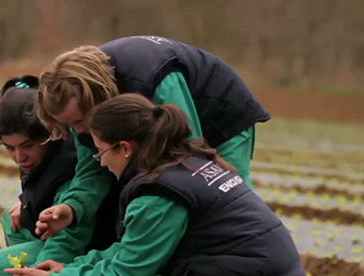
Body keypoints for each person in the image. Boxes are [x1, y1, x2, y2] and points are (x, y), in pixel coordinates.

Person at [6, 93, 314, 276]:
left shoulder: (159, 193)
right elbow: (130, 251)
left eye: (100, 151)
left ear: (125, 148)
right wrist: (69, 270)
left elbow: (127, 271)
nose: (99, 161)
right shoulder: (187, 162)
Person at [34, 35, 269, 239]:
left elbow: (188, 153)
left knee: (222, 199)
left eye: (80, 121)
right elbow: (92, 169)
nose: (80, 130)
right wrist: (73, 206)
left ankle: (259, 261)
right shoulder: (82, 113)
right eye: (70, 125)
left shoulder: (152, 76)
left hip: (220, 118)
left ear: (97, 98)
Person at [0, 75, 117, 276]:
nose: (19, 157)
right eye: (9, 148)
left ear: (50, 134)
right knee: (12, 217)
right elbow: (41, 190)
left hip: (91, 249)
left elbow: (67, 241)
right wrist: (25, 205)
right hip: (72, 244)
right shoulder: (47, 156)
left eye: (27, 146)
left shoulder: (72, 166)